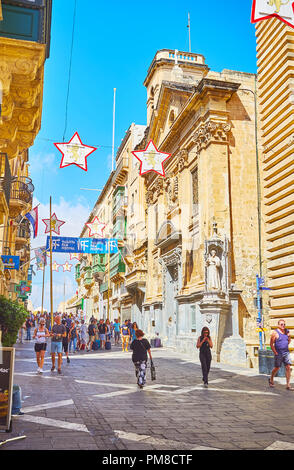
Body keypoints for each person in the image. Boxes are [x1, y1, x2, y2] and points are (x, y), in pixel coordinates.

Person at [269, 319, 294, 390]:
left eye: (284, 324)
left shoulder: (287, 331)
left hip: (286, 352)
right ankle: (271, 379)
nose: (283, 326)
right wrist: (275, 352)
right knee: (277, 367)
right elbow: (271, 344)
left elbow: (289, 340)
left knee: (288, 367)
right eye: (281, 324)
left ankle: (288, 385)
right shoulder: (275, 333)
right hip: (278, 353)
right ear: (278, 325)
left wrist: (286, 342)